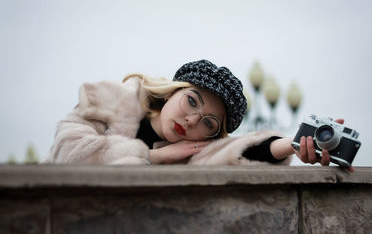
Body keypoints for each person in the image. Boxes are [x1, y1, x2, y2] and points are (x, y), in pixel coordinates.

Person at [43, 59, 342, 167]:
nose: (193, 120)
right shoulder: (111, 102)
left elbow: (247, 151)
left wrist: (297, 143)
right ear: (174, 91)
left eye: (209, 122)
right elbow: (67, 154)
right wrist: (152, 156)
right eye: (192, 101)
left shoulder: (192, 151)